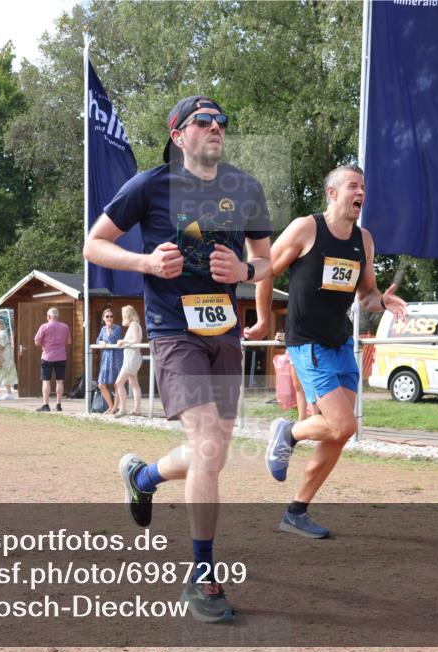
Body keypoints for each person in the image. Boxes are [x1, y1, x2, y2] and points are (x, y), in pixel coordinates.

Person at [83, 95, 272, 622]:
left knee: (213, 452)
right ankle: (202, 576)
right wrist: (144, 260)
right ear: (178, 134)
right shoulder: (150, 186)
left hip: (225, 335)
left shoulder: (245, 188)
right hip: (174, 333)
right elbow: (94, 246)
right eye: (203, 122)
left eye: (222, 122)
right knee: (208, 444)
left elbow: (266, 257)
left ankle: (143, 479)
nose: (216, 128)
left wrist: (245, 273)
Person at [265, 165, 407, 539]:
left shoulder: (365, 240)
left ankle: (296, 510)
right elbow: (264, 269)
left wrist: (384, 301)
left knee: (338, 434)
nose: (360, 193)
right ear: (332, 193)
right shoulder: (306, 228)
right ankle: (289, 433)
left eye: (363, 187)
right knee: (345, 425)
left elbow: (366, 295)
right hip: (307, 341)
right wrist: (263, 319)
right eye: (353, 186)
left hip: (340, 340)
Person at [33, 307, 70, 412]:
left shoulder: (44, 327)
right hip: (61, 357)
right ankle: (58, 405)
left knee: (46, 382)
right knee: (60, 381)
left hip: (47, 357)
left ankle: (46, 405)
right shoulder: (65, 327)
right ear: (57, 317)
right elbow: (69, 341)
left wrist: (45, 344)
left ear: (49, 317)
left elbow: (36, 342)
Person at [113, 305, 144, 418]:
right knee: (134, 383)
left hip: (132, 359)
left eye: (123, 315)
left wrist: (124, 342)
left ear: (127, 315)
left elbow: (136, 340)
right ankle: (137, 409)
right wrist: (123, 341)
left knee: (118, 383)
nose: (122, 317)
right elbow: (133, 340)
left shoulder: (134, 325)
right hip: (132, 358)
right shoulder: (134, 325)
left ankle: (123, 409)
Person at [95, 308, 123, 414]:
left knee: (117, 384)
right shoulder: (103, 329)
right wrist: (101, 342)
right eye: (107, 316)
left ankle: (115, 408)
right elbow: (98, 340)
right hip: (106, 358)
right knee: (101, 384)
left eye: (111, 316)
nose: (109, 318)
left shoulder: (117, 328)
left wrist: (109, 331)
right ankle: (111, 407)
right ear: (103, 318)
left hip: (116, 358)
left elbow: (112, 340)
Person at [0, 318, 17, 400]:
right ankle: (9, 393)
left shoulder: (0, 334)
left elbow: (0, 348)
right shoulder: (5, 333)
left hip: (3, 358)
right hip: (8, 358)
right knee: (7, 375)